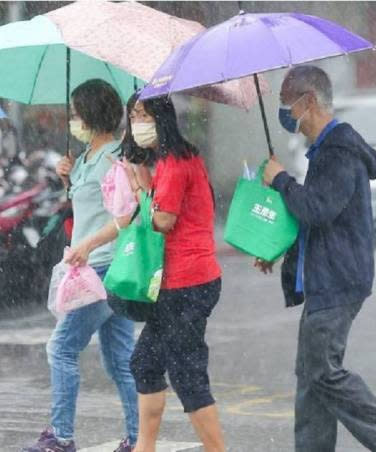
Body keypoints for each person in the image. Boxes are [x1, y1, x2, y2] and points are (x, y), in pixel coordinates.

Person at [258, 65, 376, 452]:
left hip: (338, 278)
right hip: (327, 277)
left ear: (309, 102)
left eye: (287, 105)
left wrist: (281, 179)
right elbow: (318, 220)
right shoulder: (326, 150)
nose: (286, 115)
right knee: (311, 377)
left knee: (323, 373)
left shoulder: (339, 151)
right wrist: (277, 249)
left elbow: (318, 209)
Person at [22, 79, 139, 452]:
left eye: (76, 114)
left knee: (61, 348)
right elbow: (86, 208)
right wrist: (66, 178)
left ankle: (61, 436)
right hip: (92, 266)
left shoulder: (116, 159)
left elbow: (124, 215)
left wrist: (88, 244)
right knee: (119, 359)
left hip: (104, 267)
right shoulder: (87, 156)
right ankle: (139, 439)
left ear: (90, 114)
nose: (72, 120)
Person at [122, 93, 226, 452]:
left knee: (187, 374)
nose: (136, 122)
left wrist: (138, 188)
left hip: (189, 282)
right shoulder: (173, 159)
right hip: (178, 283)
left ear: (160, 118)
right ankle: (144, 448)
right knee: (145, 363)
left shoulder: (176, 162)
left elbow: (163, 220)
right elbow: (165, 203)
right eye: (133, 115)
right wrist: (141, 177)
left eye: (141, 114)